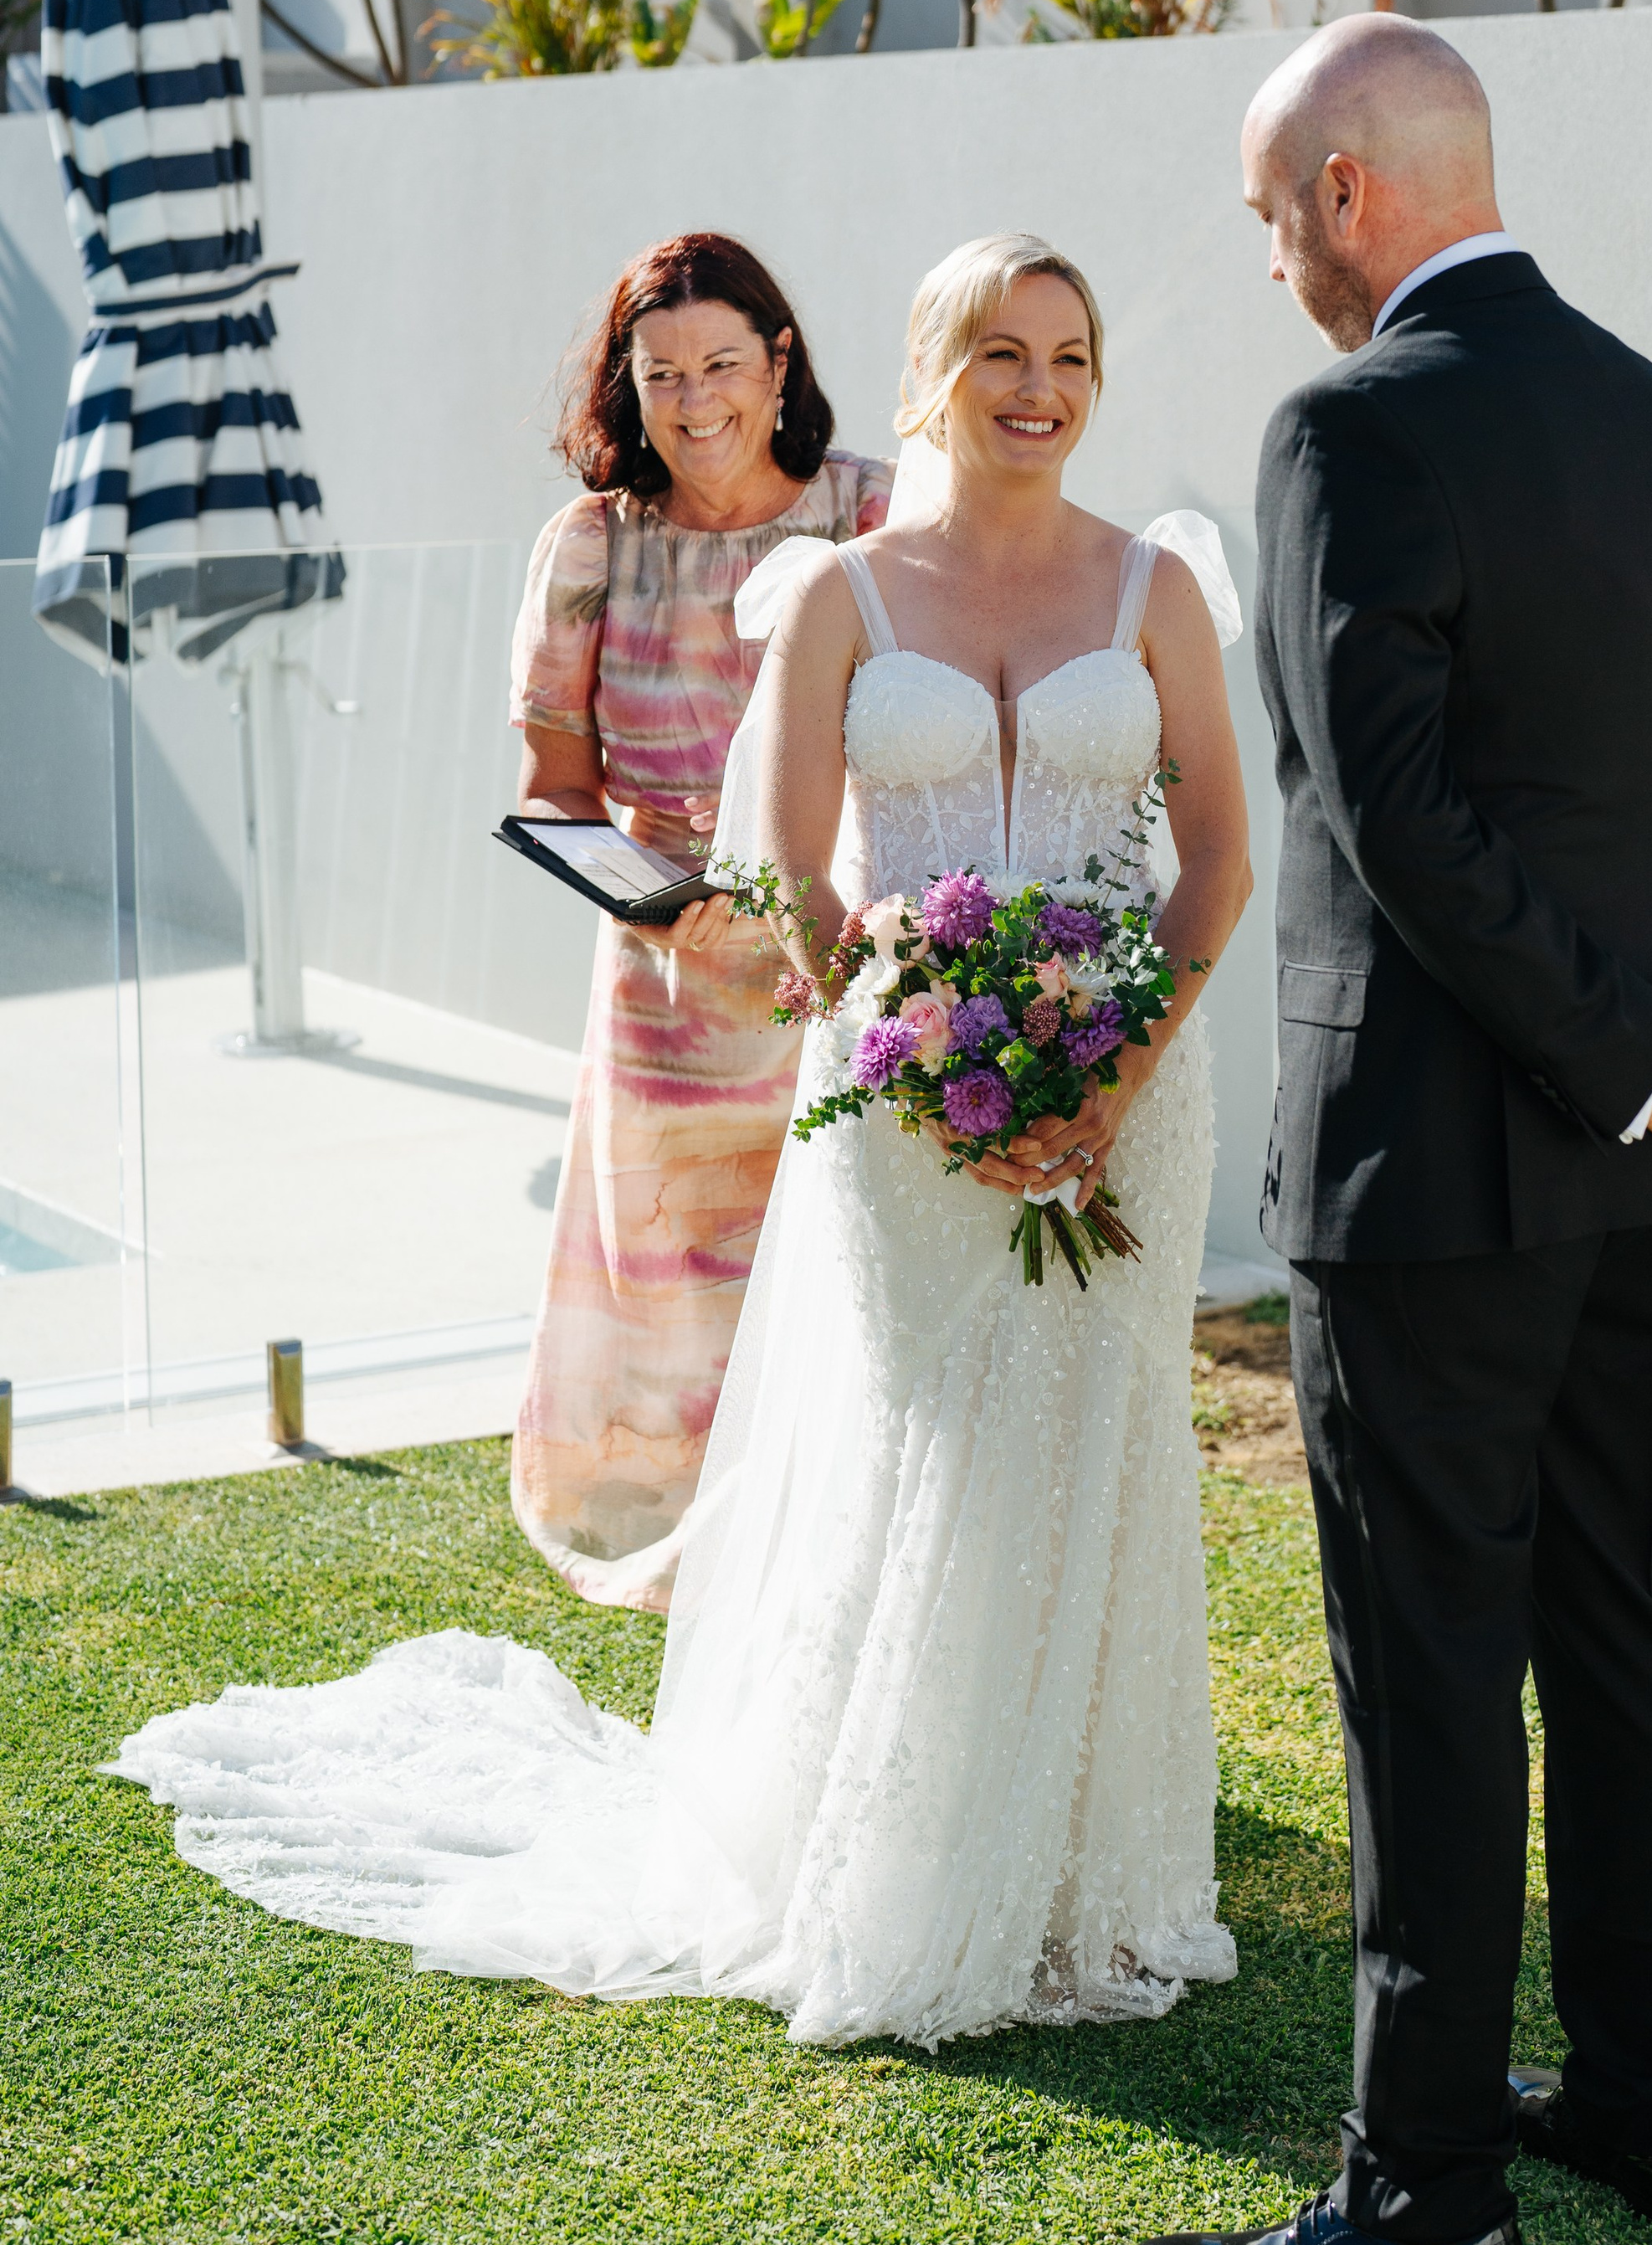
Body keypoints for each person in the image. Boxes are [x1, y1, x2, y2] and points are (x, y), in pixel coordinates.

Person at [107, 232, 1254, 2051]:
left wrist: (1110, 1068)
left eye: (1071, 356)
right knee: (930, 1439)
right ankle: (890, 1861)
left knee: (1098, 1449)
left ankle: (1078, 1871)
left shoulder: (1156, 591)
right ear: (921, 375)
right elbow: (790, 875)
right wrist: (900, 1017)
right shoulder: (841, 597)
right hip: (901, 1096)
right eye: (999, 353)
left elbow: (1217, 866)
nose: (1038, 388)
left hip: (1136, 1095)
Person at [1131, 19, 1652, 2245]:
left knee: (1429, 1657)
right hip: (1650, 1159)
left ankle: (1422, 2206)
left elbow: (1396, 818)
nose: (1267, 264)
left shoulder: (1347, 425)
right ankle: (1651, 2096)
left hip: (1435, 1173)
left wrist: (1650, 1046)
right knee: (1620, 1607)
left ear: (1345, 192)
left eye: (1264, 214)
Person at [510, 230, 890, 1610]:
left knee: (848, 1284)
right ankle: (719, 1590)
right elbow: (556, 795)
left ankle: (846, 1561)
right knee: (682, 1313)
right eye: (661, 372)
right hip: (667, 1006)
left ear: (779, 362)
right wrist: (666, 915)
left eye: (723, 362)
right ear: (629, 383)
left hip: (844, 980)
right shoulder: (589, 549)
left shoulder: (875, 517)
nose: (695, 398)